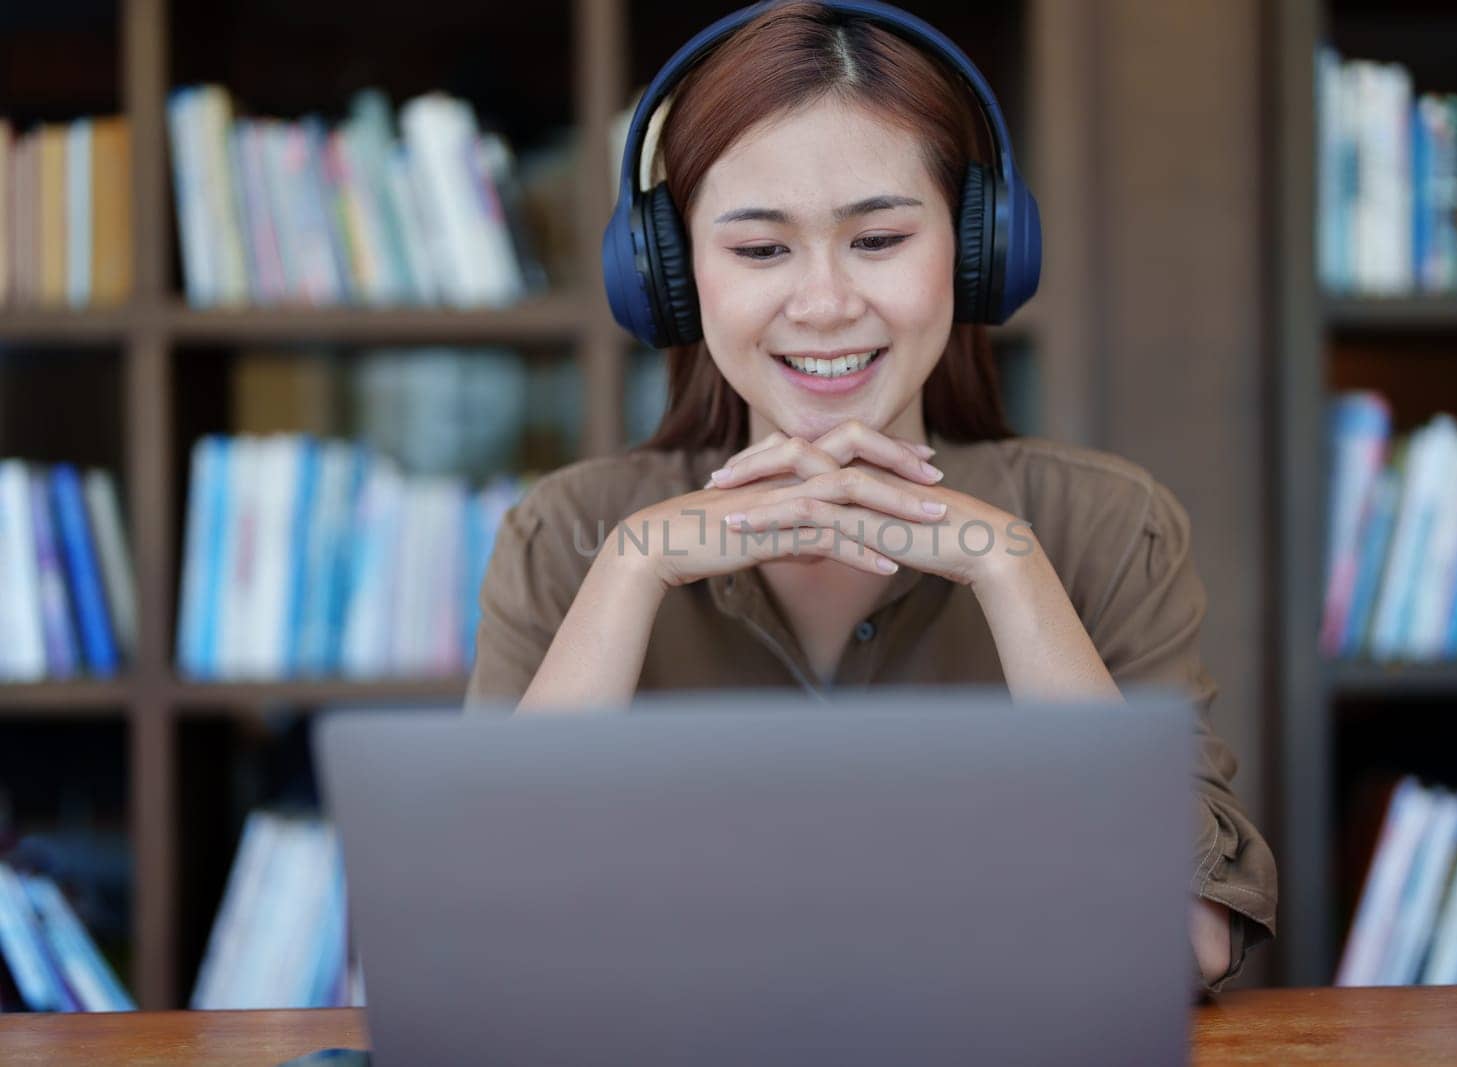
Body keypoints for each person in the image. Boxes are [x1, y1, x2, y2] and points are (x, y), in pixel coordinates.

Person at [464, 0, 1277, 994]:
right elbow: (481, 940)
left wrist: (1012, 572)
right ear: (671, 276)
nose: (824, 304)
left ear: (976, 252)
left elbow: (1183, 944)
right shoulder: (563, 537)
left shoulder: (1107, 526)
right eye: (760, 250)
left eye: (879, 239)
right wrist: (628, 576)